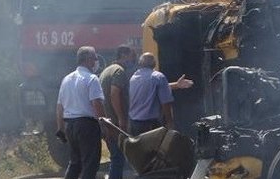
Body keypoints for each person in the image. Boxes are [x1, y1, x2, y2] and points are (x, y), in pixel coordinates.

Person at [56, 46, 107, 179]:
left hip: (70, 126)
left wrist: (60, 129)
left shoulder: (66, 79)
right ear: (88, 60)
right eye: (95, 59)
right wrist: (105, 125)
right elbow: (96, 104)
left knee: (75, 163)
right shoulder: (92, 79)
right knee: (90, 164)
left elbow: (59, 107)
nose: (96, 62)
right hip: (87, 126)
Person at [128, 52, 194, 136]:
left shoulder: (134, 78)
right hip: (150, 125)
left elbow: (151, 88)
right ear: (154, 63)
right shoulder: (158, 77)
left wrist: (177, 85)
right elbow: (165, 103)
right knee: (154, 148)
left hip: (134, 124)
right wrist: (170, 123)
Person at [98, 45, 137, 179]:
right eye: (132, 56)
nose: (133, 60)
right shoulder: (119, 71)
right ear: (123, 55)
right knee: (118, 158)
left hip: (107, 121)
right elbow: (114, 94)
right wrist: (121, 118)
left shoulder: (106, 71)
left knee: (116, 156)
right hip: (114, 122)